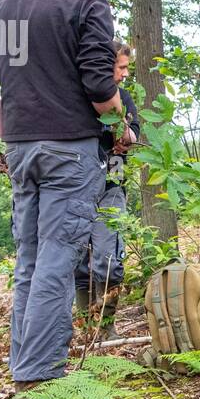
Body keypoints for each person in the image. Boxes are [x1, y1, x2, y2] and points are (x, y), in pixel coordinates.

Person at [0, 0, 126, 399]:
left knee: (31, 259)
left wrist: (14, 134)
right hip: (70, 151)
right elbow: (99, 82)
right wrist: (122, 129)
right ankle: (39, 381)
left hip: (22, 150)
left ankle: (25, 369)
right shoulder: (85, 2)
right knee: (58, 259)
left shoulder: (6, 7)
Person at [74, 39, 139, 335]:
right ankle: (88, 326)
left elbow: (134, 133)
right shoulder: (76, 94)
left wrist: (126, 135)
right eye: (121, 67)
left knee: (109, 257)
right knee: (79, 262)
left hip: (112, 183)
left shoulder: (123, 98)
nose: (125, 73)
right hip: (77, 184)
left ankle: (107, 326)